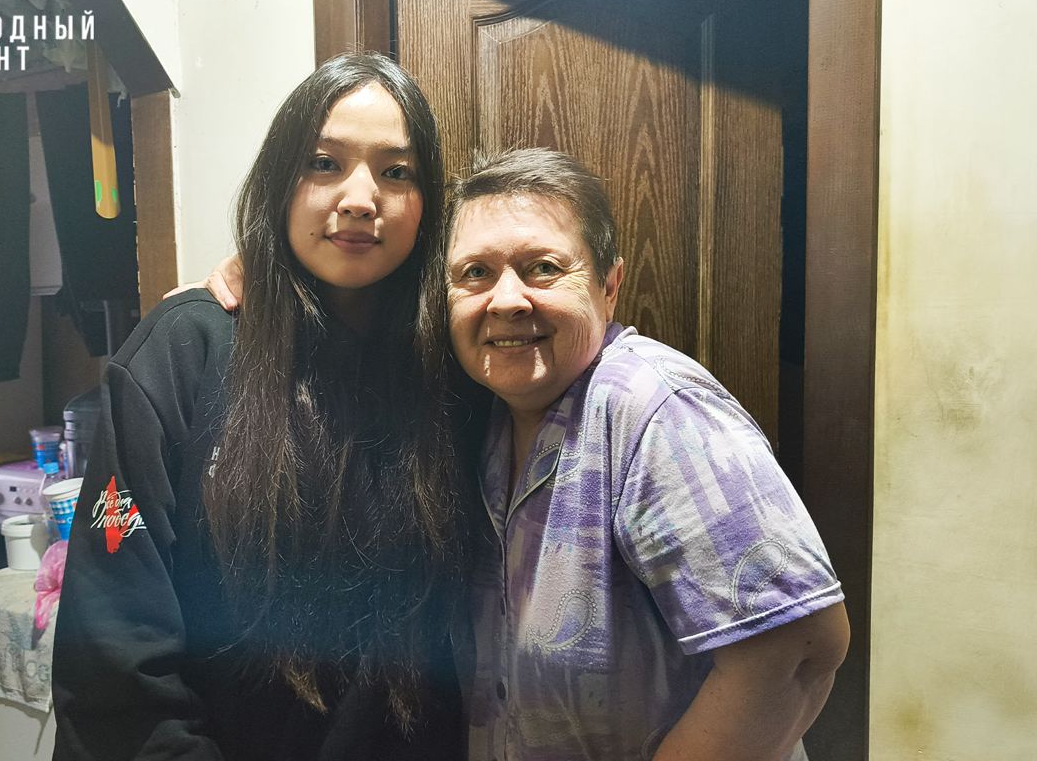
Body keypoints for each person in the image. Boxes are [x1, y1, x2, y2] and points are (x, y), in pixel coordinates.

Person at [51, 52, 480, 761]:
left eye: (397, 172)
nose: (360, 197)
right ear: (280, 181)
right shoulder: (185, 350)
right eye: (324, 164)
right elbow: (114, 643)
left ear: (429, 204)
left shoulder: (455, 368)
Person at [443, 148, 850, 760]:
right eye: (475, 273)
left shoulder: (654, 407)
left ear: (609, 287)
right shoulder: (490, 422)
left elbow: (796, 651)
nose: (506, 300)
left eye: (543, 268)